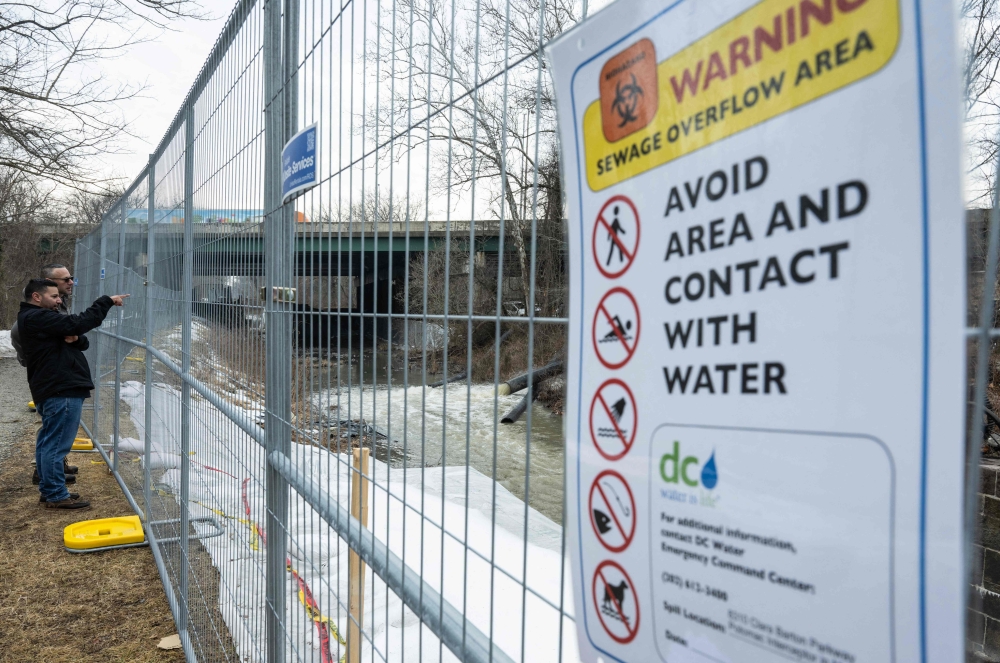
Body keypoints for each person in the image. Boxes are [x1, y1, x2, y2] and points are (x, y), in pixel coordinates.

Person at [17, 279, 129, 509]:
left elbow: (79, 337)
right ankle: (56, 494)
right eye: (54, 296)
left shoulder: (44, 320)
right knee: (56, 445)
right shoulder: (37, 317)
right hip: (60, 389)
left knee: (49, 442)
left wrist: (76, 337)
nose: (59, 300)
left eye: (59, 296)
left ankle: (50, 490)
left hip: (58, 387)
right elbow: (79, 323)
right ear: (37, 297)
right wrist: (105, 301)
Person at [10, 264, 80, 483]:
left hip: (54, 376)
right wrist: (38, 363)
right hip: (49, 379)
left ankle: (55, 467)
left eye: (71, 278)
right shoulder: (36, 314)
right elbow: (19, 337)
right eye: (65, 279)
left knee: (55, 426)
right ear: (48, 285)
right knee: (48, 424)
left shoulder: (58, 305)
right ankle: (45, 473)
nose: (70, 282)